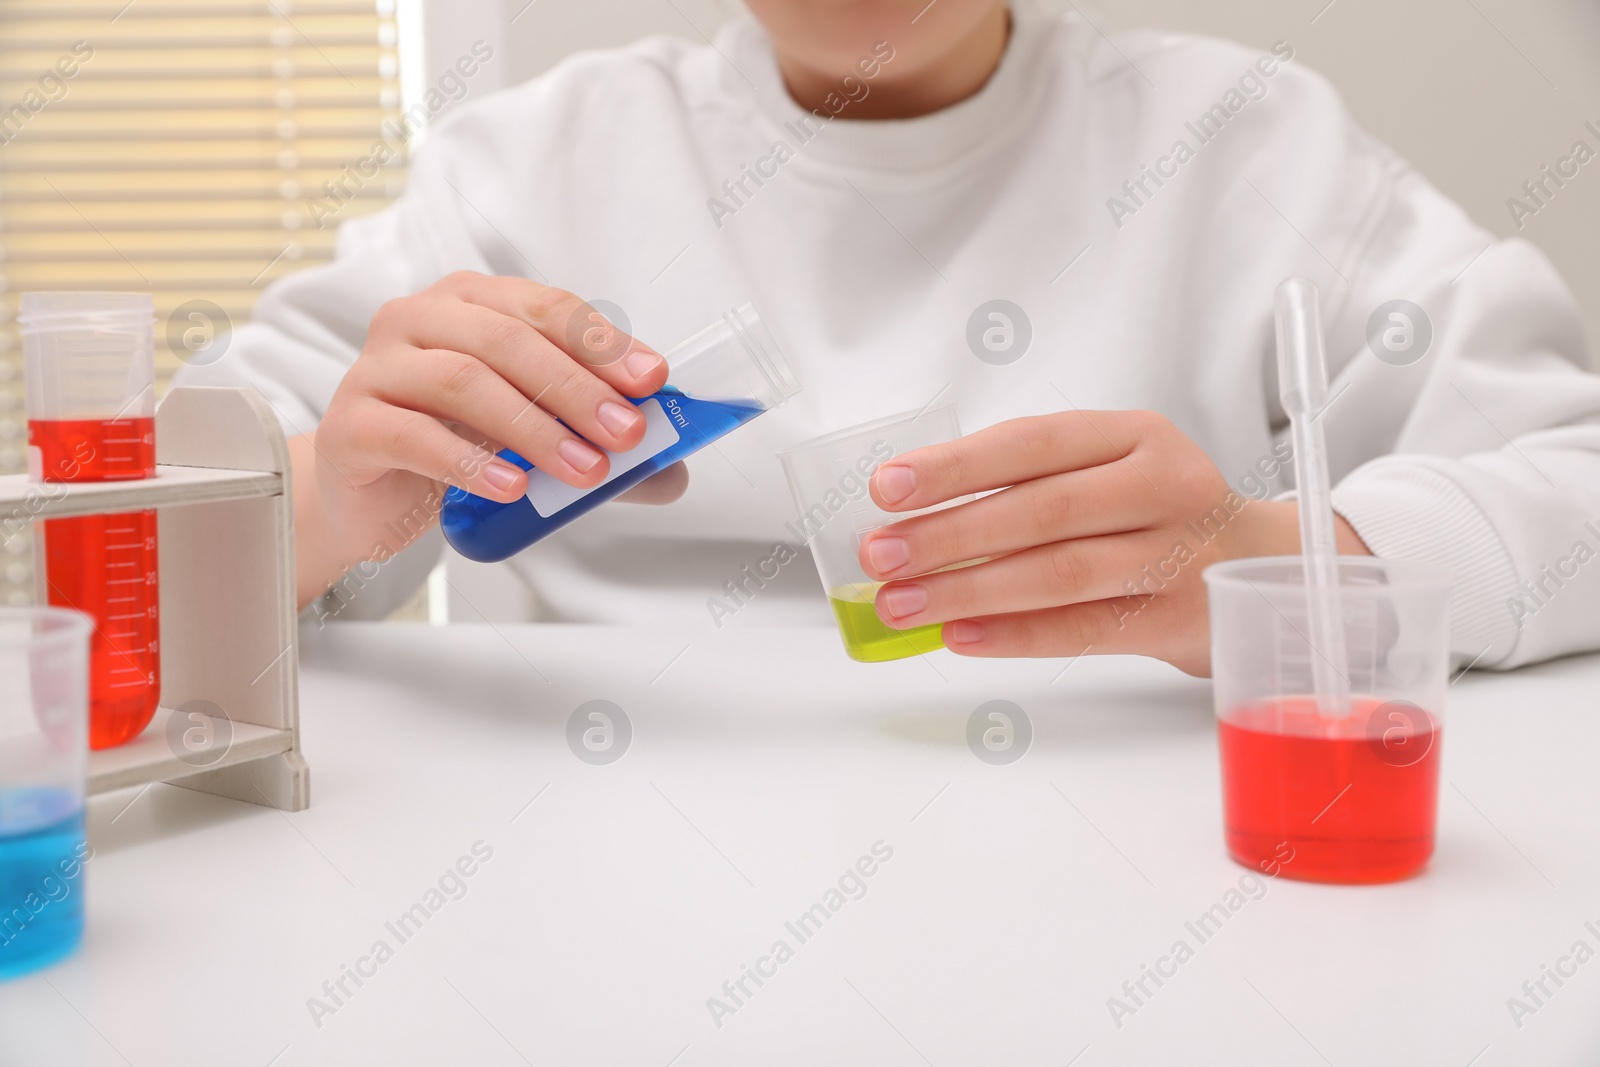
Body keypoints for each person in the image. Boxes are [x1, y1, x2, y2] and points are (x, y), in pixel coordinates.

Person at [177, 0, 1600, 675]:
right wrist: (318, 503)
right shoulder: (526, 168)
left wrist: (1277, 570)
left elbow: (1578, 486)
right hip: (601, 883)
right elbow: (133, 576)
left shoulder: (1245, 144)